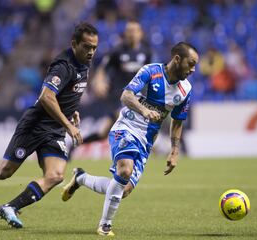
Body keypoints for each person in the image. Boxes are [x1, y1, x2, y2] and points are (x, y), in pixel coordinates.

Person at [0, 22, 99, 228]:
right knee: (3, 172)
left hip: (54, 130)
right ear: (74, 44)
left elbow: (66, 93)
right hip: (35, 125)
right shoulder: (63, 66)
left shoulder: (85, 63)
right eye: (86, 46)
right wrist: (68, 124)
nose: (91, 51)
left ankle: (10, 207)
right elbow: (46, 96)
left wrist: (71, 111)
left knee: (56, 175)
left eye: (94, 47)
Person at [62, 42, 199, 236]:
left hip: (146, 141)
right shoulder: (150, 72)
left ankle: (81, 178)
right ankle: (105, 225)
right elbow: (126, 96)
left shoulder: (185, 90)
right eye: (190, 63)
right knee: (125, 170)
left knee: (122, 189)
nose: (193, 69)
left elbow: (178, 121)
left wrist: (175, 151)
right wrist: (144, 110)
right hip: (126, 128)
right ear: (177, 59)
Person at [69, 20, 152, 158]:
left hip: (138, 97)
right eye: (129, 31)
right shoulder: (117, 51)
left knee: (102, 134)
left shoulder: (147, 53)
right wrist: (99, 81)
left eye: (135, 30)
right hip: (118, 97)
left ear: (140, 33)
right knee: (126, 122)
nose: (132, 34)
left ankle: (76, 143)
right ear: (125, 33)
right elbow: (102, 68)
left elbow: (153, 74)